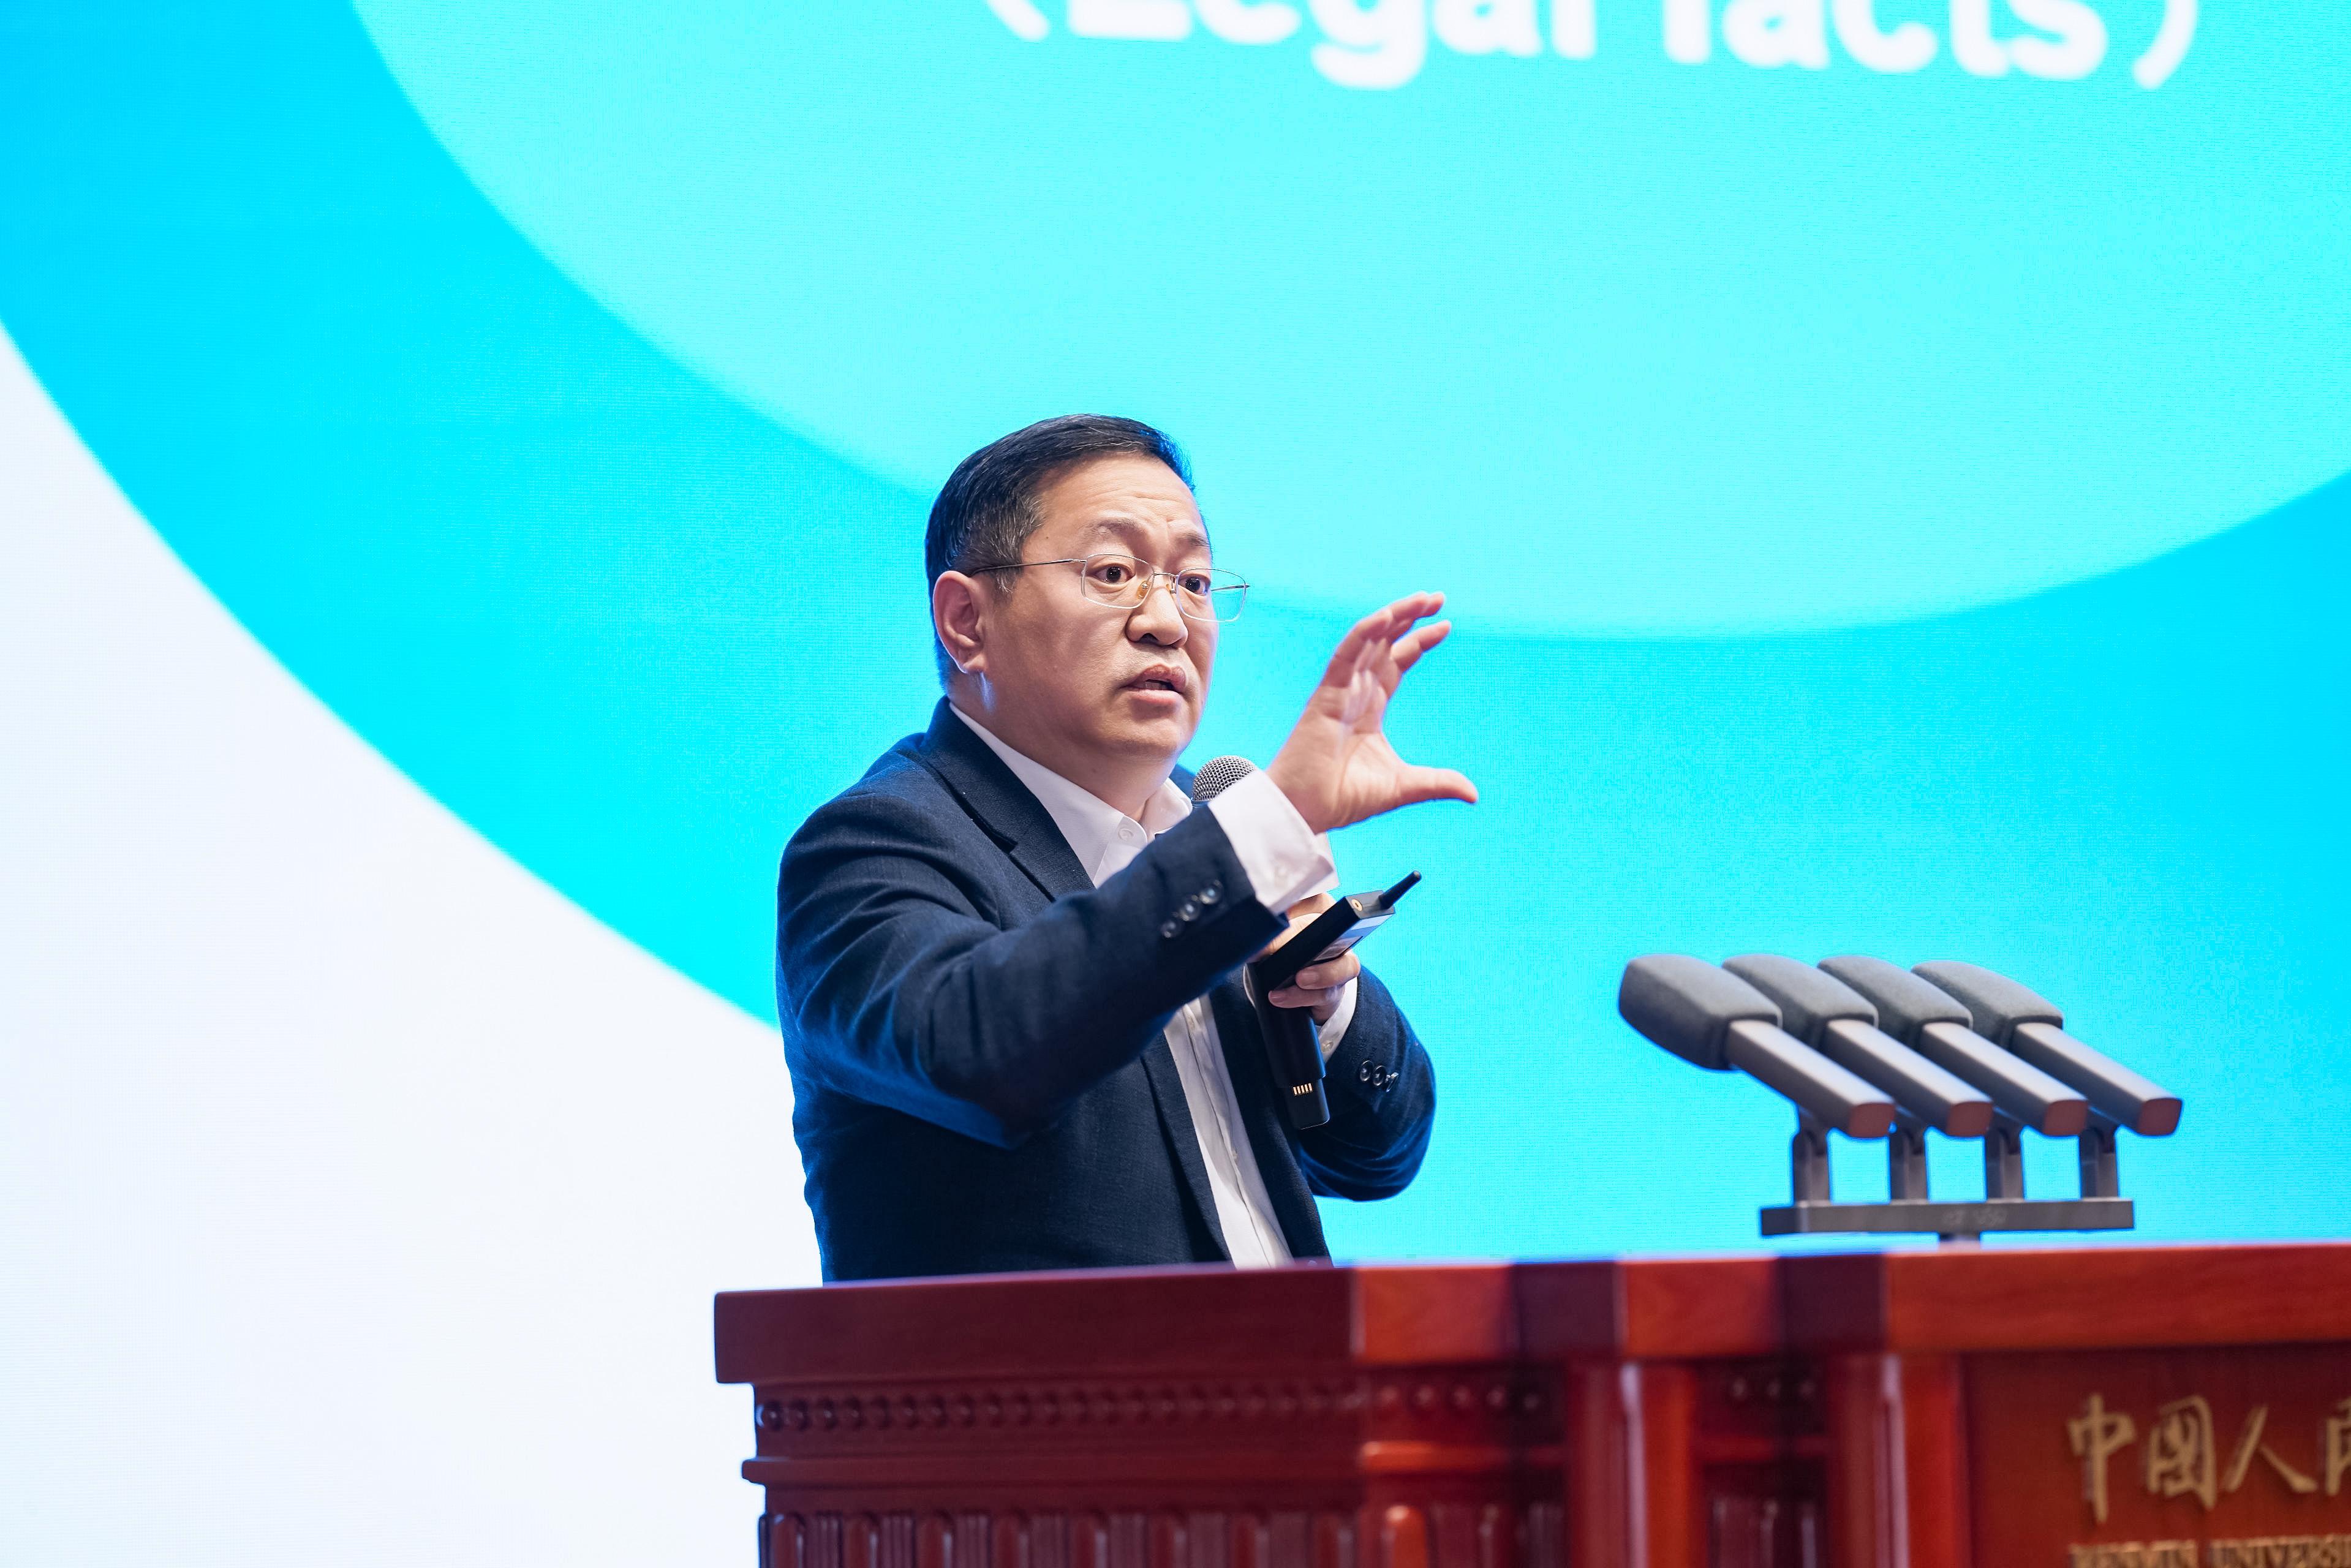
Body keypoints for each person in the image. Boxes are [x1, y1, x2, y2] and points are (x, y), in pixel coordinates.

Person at [775, 415, 1475, 1281]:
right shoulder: (871, 846)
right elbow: (981, 1056)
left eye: (1194, 581)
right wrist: (1260, 838)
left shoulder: (1205, 839)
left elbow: (1377, 1159)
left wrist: (1324, 1004)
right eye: (1112, 573)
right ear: (966, 622)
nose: (1168, 621)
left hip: (1289, 1367)